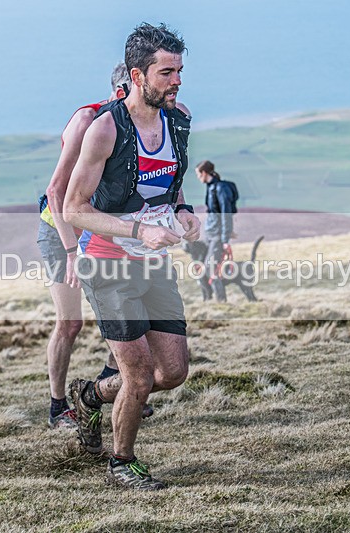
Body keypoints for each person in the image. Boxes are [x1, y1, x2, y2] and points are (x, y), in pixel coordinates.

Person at [63, 23, 200, 490]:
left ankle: (91, 393)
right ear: (138, 76)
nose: (177, 81)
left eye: (180, 71)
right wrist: (139, 228)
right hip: (107, 261)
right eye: (167, 72)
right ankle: (122, 463)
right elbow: (73, 209)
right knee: (139, 376)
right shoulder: (105, 129)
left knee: (173, 372)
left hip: (154, 260)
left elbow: (173, 182)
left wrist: (183, 212)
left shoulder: (178, 119)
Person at [37, 63, 153, 429]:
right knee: (70, 324)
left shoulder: (139, 123)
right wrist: (72, 252)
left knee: (126, 315)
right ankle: (59, 407)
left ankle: (108, 385)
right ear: (121, 87)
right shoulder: (89, 120)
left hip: (100, 229)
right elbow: (57, 191)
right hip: (60, 230)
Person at [195, 160, 236, 302]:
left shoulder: (220, 189)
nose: (198, 178)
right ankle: (209, 298)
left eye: (198, 174)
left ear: (204, 173)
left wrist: (225, 240)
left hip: (217, 236)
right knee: (204, 267)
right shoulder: (211, 187)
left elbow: (226, 214)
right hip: (210, 234)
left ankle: (221, 302)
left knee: (210, 268)